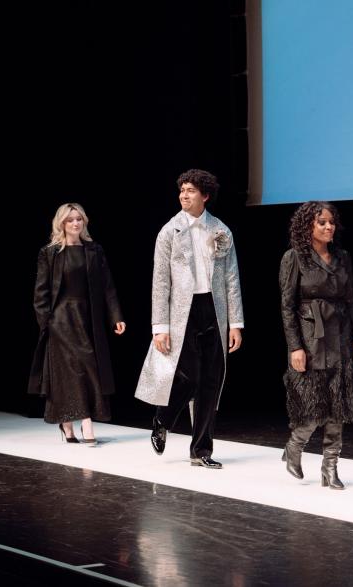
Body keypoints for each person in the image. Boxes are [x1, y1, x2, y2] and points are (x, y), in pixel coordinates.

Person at [135, 169, 244, 469]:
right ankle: (163, 418)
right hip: (183, 312)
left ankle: (201, 450)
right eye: (182, 189)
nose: (184, 194)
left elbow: (231, 278)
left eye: (191, 190)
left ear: (205, 196)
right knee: (190, 376)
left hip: (213, 308)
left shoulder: (221, 230)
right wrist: (160, 326)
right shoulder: (169, 231)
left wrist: (235, 323)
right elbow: (160, 281)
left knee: (211, 381)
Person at [279, 201, 353, 490]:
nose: (329, 227)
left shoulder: (343, 257)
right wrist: (295, 347)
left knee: (338, 403)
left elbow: (351, 301)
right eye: (322, 223)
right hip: (310, 338)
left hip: (339, 335)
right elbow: (287, 307)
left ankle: (330, 467)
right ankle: (295, 445)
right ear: (309, 226)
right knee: (313, 405)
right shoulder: (294, 258)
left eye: (331, 222)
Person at [28, 203, 126, 446]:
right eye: (70, 220)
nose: (75, 223)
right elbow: (41, 292)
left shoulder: (94, 250)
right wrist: (46, 323)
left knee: (87, 367)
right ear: (61, 223)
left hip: (87, 318)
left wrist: (116, 316)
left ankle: (68, 423)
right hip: (60, 320)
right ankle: (86, 421)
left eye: (79, 219)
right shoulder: (50, 253)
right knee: (70, 371)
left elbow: (108, 286)